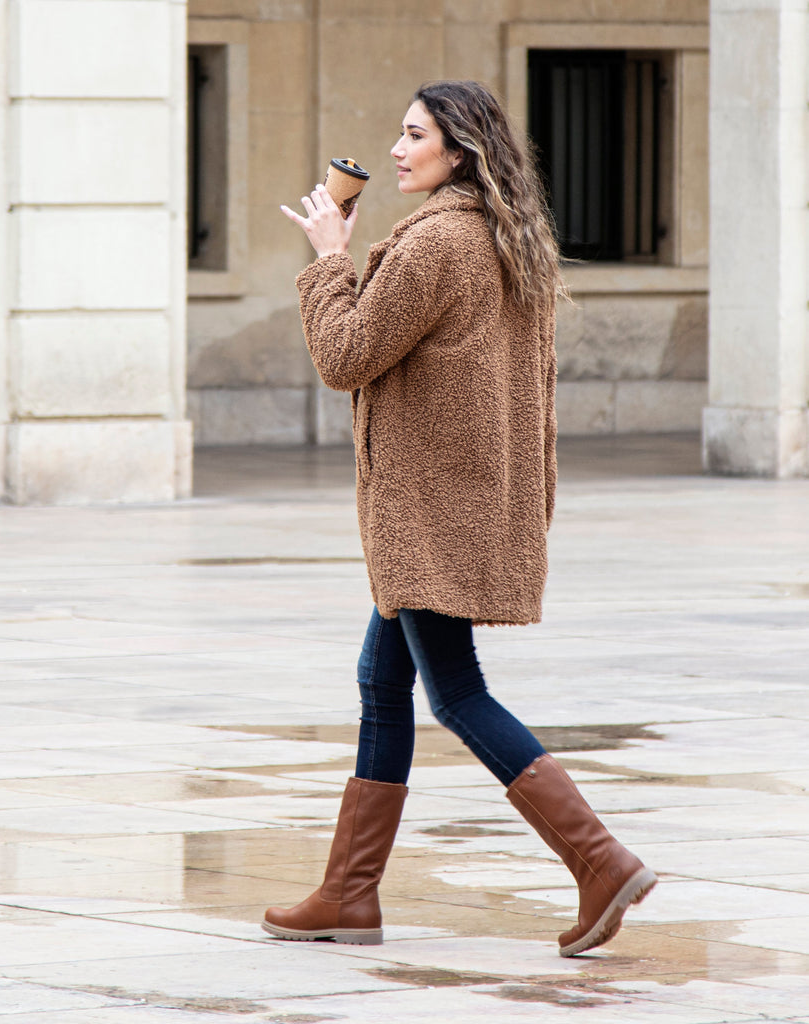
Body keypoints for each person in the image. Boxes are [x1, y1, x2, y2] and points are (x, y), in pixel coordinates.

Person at [263, 80, 656, 957]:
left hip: (428, 513)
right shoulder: (506, 237)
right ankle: (349, 894)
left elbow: (344, 355)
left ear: (459, 151)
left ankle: (599, 860)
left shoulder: (437, 243)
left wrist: (330, 256)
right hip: (464, 502)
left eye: (413, 136)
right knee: (380, 681)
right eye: (398, 135)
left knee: (455, 691)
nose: (397, 151)